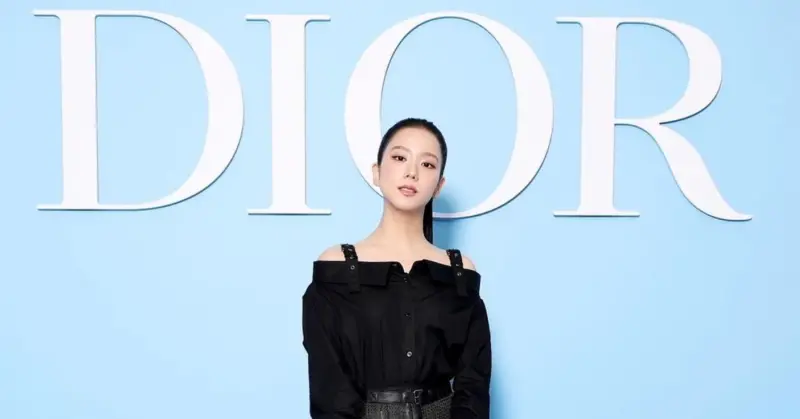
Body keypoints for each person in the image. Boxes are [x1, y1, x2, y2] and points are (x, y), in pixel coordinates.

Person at [302, 118, 492, 419]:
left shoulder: (459, 271)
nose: (412, 172)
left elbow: (474, 384)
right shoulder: (336, 267)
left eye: (427, 164)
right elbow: (330, 389)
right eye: (400, 157)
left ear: (439, 185)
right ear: (377, 172)